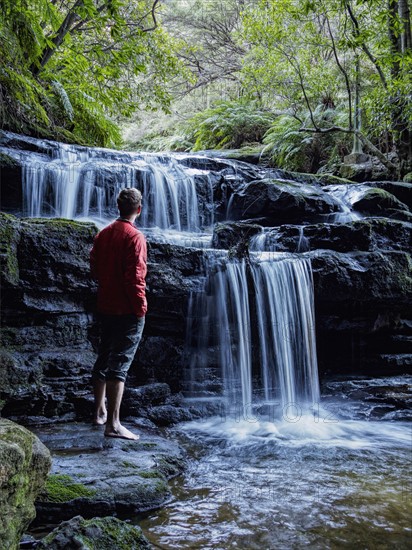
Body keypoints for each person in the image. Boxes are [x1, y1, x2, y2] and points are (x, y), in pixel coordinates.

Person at [89, 187, 147, 440]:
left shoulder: (103, 234)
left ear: (118, 207)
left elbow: (94, 268)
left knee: (103, 357)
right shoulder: (135, 237)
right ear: (139, 209)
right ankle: (113, 424)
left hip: (105, 304)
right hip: (126, 308)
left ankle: (99, 411)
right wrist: (140, 307)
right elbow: (135, 278)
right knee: (119, 366)